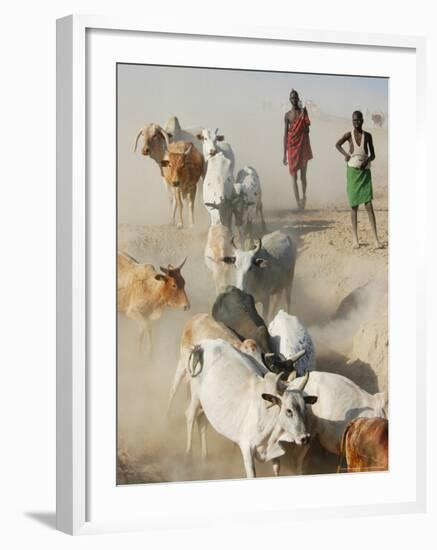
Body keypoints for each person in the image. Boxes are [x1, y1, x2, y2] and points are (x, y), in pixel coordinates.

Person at [336, 111, 383, 249]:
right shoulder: (348, 135)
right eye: (354, 120)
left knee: (368, 205)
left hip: (365, 172)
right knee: (354, 206)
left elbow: (373, 154)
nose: (356, 122)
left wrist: (366, 160)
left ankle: (376, 239)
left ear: (363, 120)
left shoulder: (368, 136)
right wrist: (345, 155)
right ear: (352, 121)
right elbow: (337, 145)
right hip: (352, 172)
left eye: (359, 120)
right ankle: (355, 240)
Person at [283, 89, 313, 210]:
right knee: (293, 177)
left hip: (303, 147)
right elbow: (285, 135)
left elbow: (307, 129)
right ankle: (298, 203)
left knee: (303, 176)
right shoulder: (287, 115)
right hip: (291, 148)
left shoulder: (303, 112)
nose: (294, 99)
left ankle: (304, 196)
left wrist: (303, 114)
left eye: (296, 97)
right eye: (292, 97)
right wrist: (284, 154)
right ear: (290, 99)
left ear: (298, 98)